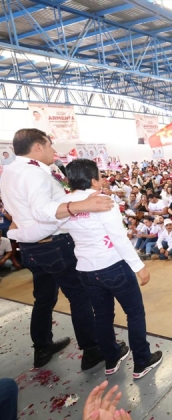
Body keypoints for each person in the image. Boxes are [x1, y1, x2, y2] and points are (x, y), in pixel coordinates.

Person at [0, 128, 111, 370]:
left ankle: (42, 348)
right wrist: (82, 204)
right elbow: (43, 211)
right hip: (54, 245)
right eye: (50, 146)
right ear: (38, 147)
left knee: (44, 298)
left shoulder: (9, 171)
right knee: (79, 296)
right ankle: (92, 350)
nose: (53, 151)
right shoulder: (34, 174)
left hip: (31, 247)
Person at [61, 159, 162, 379]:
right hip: (113, 265)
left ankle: (111, 358)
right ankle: (142, 361)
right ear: (93, 180)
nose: (103, 179)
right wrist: (139, 266)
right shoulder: (102, 201)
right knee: (134, 313)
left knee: (102, 316)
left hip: (86, 269)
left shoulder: (64, 203)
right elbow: (118, 237)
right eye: (99, 175)